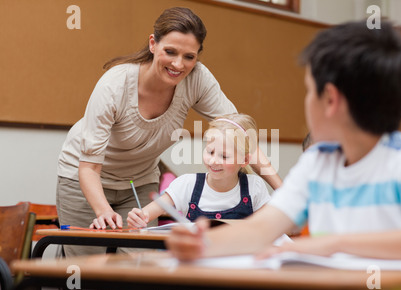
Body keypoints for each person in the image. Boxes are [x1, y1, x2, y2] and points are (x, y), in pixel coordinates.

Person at [166, 20, 401, 265]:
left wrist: (334, 244)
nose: (306, 101)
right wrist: (201, 243)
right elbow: (262, 229)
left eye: (309, 91)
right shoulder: (317, 162)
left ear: (330, 100)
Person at [56, 6, 281, 254]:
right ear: (153, 44)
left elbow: (241, 136)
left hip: (138, 181)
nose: (178, 64)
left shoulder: (197, 79)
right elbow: (89, 167)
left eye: (189, 56)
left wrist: (284, 192)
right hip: (86, 179)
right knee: (89, 274)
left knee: (144, 272)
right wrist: (103, 211)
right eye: (170, 52)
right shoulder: (115, 84)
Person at [126, 113, 271, 228]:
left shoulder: (254, 186)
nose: (214, 161)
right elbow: (146, 214)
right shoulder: (187, 184)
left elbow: (268, 225)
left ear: (245, 160)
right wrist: (138, 217)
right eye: (210, 152)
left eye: (224, 156)